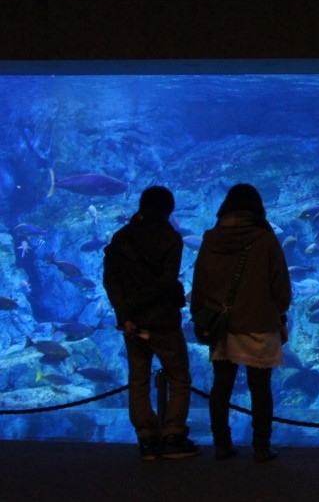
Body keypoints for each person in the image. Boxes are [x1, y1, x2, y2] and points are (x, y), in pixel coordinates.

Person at [191, 183, 292, 463]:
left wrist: (200, 315)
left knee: (221, 385)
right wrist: (279, 310)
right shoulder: (266, 239)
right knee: (260, 387)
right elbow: (281, 286)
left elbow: (199, 282)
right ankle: (261, 447)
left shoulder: (211, 240)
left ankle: (222, 444)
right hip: (259, 323)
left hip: (222, 325)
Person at [102, 186, 200, 460]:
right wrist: (136, 307)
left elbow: (110, 280)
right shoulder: (171, 238)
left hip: (131, 322)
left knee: (138, 379)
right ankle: (172, 436)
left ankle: (146, 439)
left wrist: (125, 313)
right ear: (168, 210)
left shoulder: (121, 237)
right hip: (163, 320)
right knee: (179, 377)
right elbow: (166, 281)